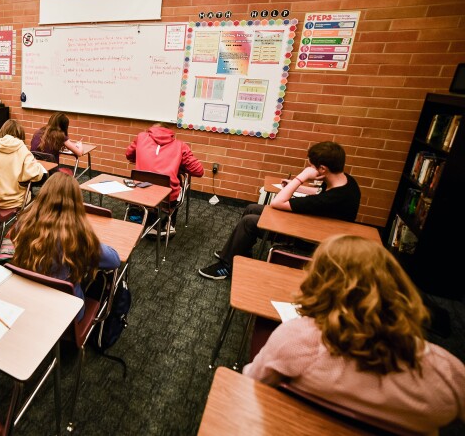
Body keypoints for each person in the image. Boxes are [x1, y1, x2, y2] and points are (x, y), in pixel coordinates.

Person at [244, 235, 465, 433]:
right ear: (398, 288)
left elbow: (252, 381)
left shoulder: (296, 340)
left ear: (317, 282)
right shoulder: (445, 371)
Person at [199, 141, 361, 280]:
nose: (309, 169)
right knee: (251, 208)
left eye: (311, 166)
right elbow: (319, 192)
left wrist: (301, 177)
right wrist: (296, 186)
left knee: (249, 222)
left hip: (310, 239)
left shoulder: (332, 199)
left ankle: (226, 266)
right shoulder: (344, 180)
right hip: (314, 221)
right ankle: (239, 251)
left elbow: (278, 202)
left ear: (323, 169)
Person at [10, 173, 120, 321]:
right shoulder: (77, 237)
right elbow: (114, 260)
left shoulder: (22, 224)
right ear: (76, 202)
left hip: (29, 298)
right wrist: (91, 237)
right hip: (67, 312)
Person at [125, 121, 204, 237]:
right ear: (170, 133)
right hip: (166, 199)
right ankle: (166, 221)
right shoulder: (180, 145)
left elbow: (129, 155)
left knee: (147, 181)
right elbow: (199, 171)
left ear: (150, 130)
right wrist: (179, 166)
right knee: (177, 182)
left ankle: (141, 213)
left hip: (139, 192)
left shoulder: (141, 137)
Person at [0, 119, 45, 210]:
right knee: (37, 199)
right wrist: (37, 165)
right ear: (20, 134)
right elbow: (35, 175)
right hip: (11, 201)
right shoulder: (21, 148)